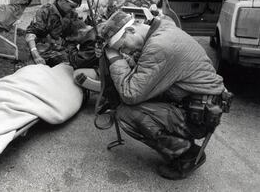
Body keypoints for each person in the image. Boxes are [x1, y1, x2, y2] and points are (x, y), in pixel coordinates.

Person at [94, 11, 230, 180]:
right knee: (134, 102)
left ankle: (187, 154)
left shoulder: (159, 46)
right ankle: (182, 145)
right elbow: (143, 73)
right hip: (198, 103)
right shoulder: (161, 30)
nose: (125, 51)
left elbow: (131, 94)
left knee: (126, 113)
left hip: (198, 117)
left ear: (130, 31)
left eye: (123, 47)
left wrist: (115, 59)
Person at [25, 0, 82, 67]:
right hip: (41, 51)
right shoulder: (45, 11)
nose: (74, 10)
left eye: (75, 8)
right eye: (72, 7)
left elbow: (75, 35)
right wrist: (35, 54)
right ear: (63, 0)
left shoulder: (72, 15)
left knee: (70, 71)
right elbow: (31, 33)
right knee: (33, 73)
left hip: (61, 52)